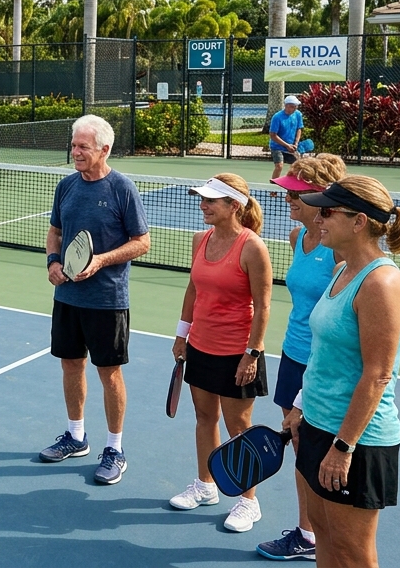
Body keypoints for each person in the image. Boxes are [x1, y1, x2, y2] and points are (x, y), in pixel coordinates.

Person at [283, 177, 400, 568]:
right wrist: (300, 407)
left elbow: (377, 375)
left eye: (326, 212)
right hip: (318, 426)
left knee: (353, 552)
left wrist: (343, 448)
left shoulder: (380, 283)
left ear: (358, 221)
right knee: (324, 535)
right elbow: (322, 355)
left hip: (356, 441)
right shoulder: (342, 270)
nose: (318, 219)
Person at [39, 115, 150, 486]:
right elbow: (55, 232)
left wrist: (101, 260)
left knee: (109, 373)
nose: (76, 152)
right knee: (71, 365)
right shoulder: (66, 186)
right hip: (68, 297)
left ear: (104, 149)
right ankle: (75, 436)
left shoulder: (122, 188)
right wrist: (53, 262)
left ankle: (115, 448)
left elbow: (142, 242)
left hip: (107, 299)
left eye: (83, 146)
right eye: (74, 145)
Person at [168, 173, 273, 533]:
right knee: (204, 418)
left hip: (236, 353)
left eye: (212, 200)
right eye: (202, 198)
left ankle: (248, 501)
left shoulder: (252, 247)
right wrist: (182, 335)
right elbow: (193, 290)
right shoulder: (201, 239)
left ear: (234, 205)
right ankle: (205, 485)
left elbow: (263, 306)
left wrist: (253, 353)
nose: (204, 205)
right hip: (201, 346)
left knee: (239, 430)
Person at [256, 154, 348, 560]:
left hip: (321, 366)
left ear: (322, 196)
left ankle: (324, 536)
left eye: (296, 193)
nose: (287, 198)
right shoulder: (298, 238)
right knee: (299, 451)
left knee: (316, 454)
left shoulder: (339, 251)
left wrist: (307, 388)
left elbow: (342, 323)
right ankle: (308, 533)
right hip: (292, 356)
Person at [270, 95, 305, 179]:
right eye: (293, 107)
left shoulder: (298, 114)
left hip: (292, 146)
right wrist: (287, 145)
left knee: (298, 167)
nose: (295, 108)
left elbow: (299, 129)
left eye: (296, 107)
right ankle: (273, 190)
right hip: (277, 147)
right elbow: (273, 135)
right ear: (286, 106)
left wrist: (295, 143)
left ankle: (292, 190)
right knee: (279, 166)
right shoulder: (277, 117)